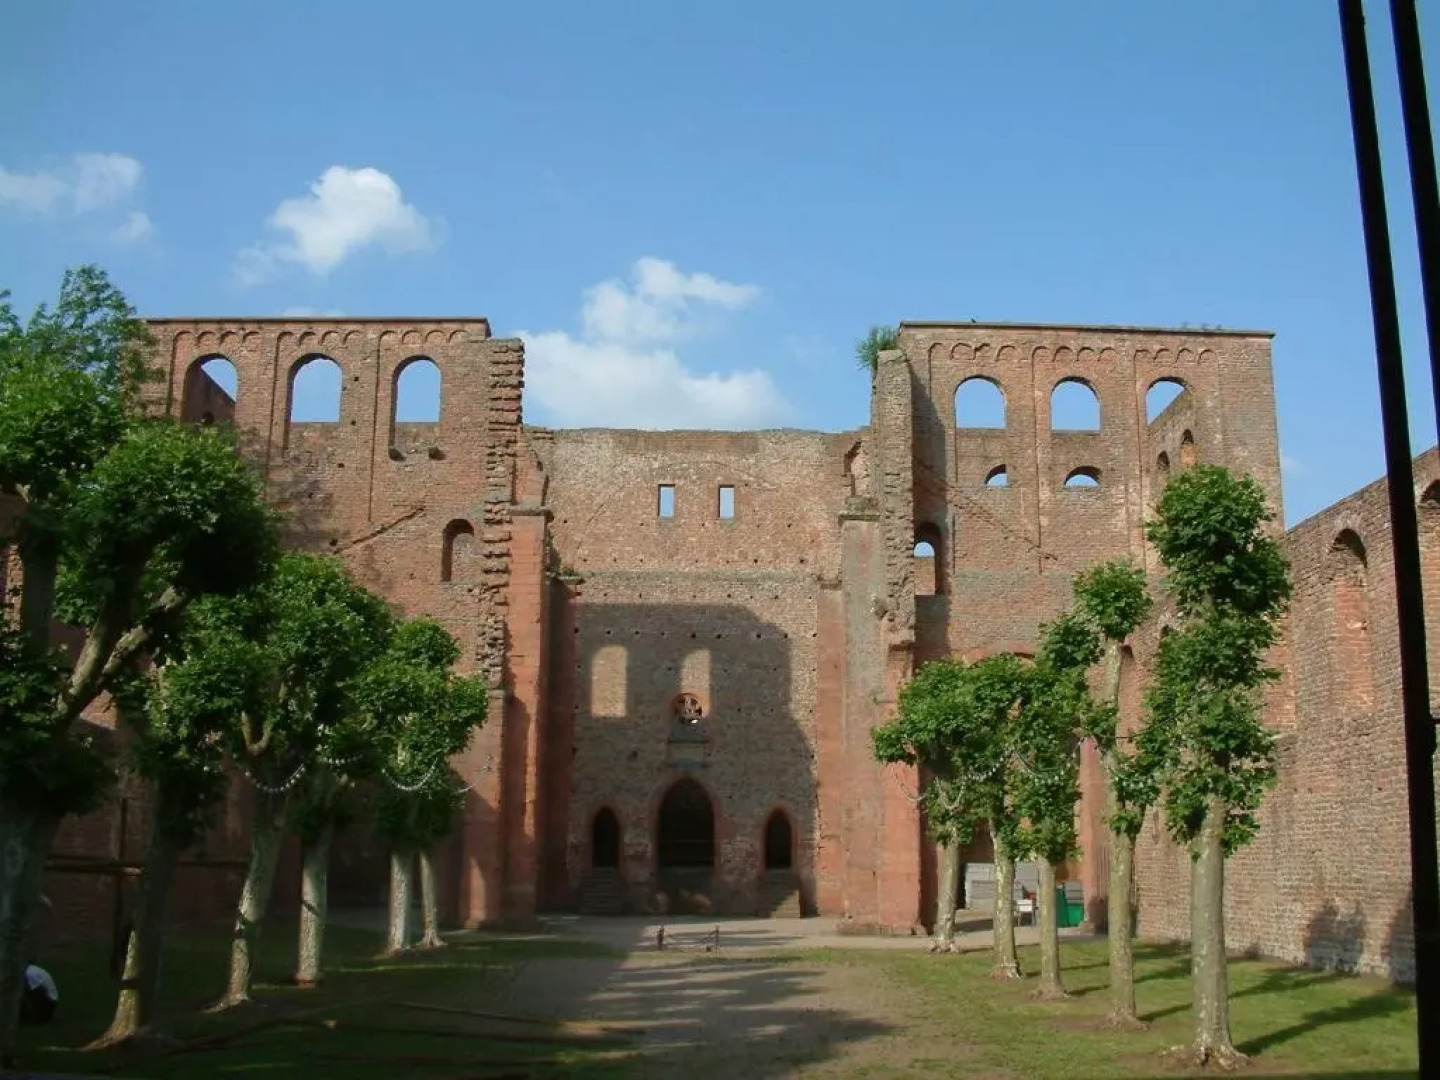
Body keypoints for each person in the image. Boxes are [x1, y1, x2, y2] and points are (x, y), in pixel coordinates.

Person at [19, 961, 57, 1025]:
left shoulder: (30, 973)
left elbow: (38, 991)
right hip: (49, 999)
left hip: (49, 1001)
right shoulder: (30, 970)